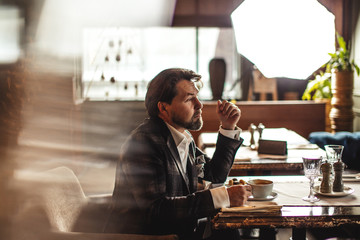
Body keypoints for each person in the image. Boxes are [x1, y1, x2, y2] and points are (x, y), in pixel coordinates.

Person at [105, 68, 251, 239]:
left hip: (180, 232)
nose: (199, 104)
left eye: (197, 96)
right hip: (150, 237)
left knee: (232, 232)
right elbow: (157, 209)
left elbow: (214, 174)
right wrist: (221, 197)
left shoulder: (181, 137)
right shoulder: (142, 143)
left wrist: (228, 127)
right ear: (163, 108)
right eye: (189, 99)